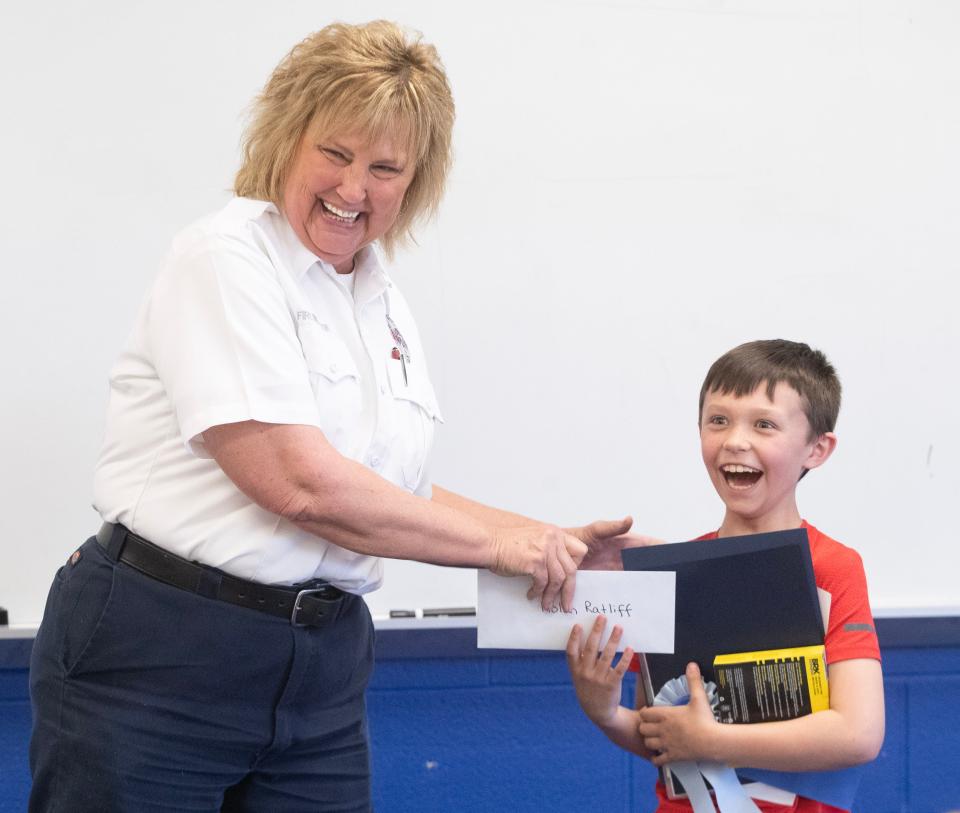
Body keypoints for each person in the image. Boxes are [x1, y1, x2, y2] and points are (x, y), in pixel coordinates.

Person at [28, 20, 638, 812]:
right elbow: (300, 483)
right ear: (287, 137)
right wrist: (502, 545)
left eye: (385, 167)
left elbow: (386, 487)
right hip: (159, 655)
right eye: (336, 154)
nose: (355, 189)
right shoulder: (225, 258)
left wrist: (551, 543)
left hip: (320, 671)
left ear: (415, 181)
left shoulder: (378, 300)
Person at [566, 339, 885, 813]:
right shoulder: (673, 571)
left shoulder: (834, 567)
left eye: (764, 424)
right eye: (718, 420)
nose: (735, 440)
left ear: (817, 449)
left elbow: (858, 734)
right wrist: (605, 712)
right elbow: (663, 739)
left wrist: (715, 741)